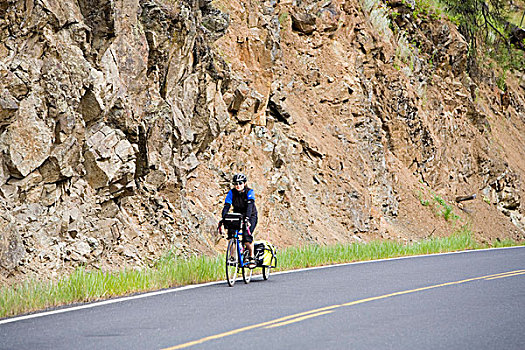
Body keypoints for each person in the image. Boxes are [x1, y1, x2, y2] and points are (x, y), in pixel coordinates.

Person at [219, 173, 258, 268]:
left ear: (244, 183)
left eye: (240, 183)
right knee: (231, 235)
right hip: (237, 215)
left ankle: (251, 257)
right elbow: (227, 206)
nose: (238, 185)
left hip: (251, 215)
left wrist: (247, 219)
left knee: (246, 236)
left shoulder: (249, 192)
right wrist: (224, 218)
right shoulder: (231, 193)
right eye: (236, 183)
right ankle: (232, 257)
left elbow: (250, 206)